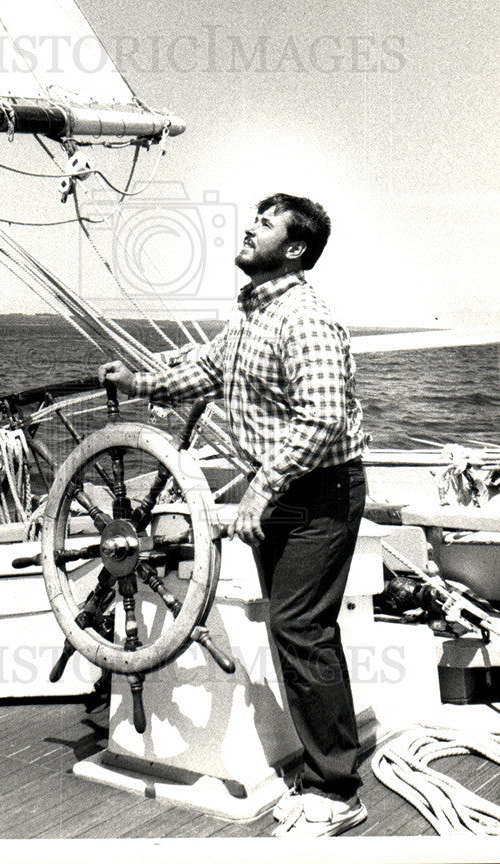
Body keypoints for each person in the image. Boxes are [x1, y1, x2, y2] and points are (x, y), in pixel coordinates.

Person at [99, 193, 368, 837]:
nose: (249, 228)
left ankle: (337, 790)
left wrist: (261, 491)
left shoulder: (303, 318)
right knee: (293, 629)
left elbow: (323, 419)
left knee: (302, 630)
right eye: (254, 217)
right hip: (290, 493)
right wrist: (140, 383)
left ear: (294, 249)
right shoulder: (253, 316)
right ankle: (321, 768)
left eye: (266, 224)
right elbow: (205, 368)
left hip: (318, 493)